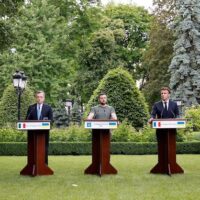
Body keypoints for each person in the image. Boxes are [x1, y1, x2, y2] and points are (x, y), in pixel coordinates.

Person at [26, 90, 53, 165]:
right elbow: (27, 119)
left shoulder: (48, 108)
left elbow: (51, 121)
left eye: (41, 97)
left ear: (44, 98)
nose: (39, 99)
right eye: (37, 97)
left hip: (44, 133)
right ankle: (32, 164)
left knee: (44, 148)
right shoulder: (31, 108)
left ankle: (44, 164)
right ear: (35, 98)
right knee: (32, 148)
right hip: (32, 133)